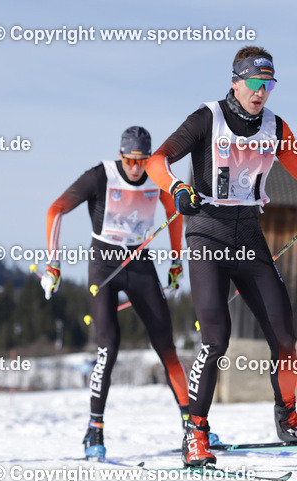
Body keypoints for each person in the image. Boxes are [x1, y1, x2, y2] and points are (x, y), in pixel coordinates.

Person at [147, 46, 297, 467]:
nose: (261, 92)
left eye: (268, 85)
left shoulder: (275, 126)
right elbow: (156, 160)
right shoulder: (207, 118)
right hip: (206, 236)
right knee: (216, 339)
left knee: (285, 337)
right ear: (236, 81)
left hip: (249, 236)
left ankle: (289, 419)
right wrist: (177, 189)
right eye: (254, 83)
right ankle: (195, 433)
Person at [41, 126, 193, 461]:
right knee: (108, 347)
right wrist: (54, 265)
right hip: (103, 269)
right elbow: (56, 210)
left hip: (139, 266)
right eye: (130, 160)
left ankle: (192, 425)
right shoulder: (100, 176)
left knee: (166, 346)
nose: (136, 167)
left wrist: (176, 261)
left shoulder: (157, 176)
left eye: (142, 160)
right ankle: (95, 427)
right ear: (121, 155)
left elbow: (175, 214)